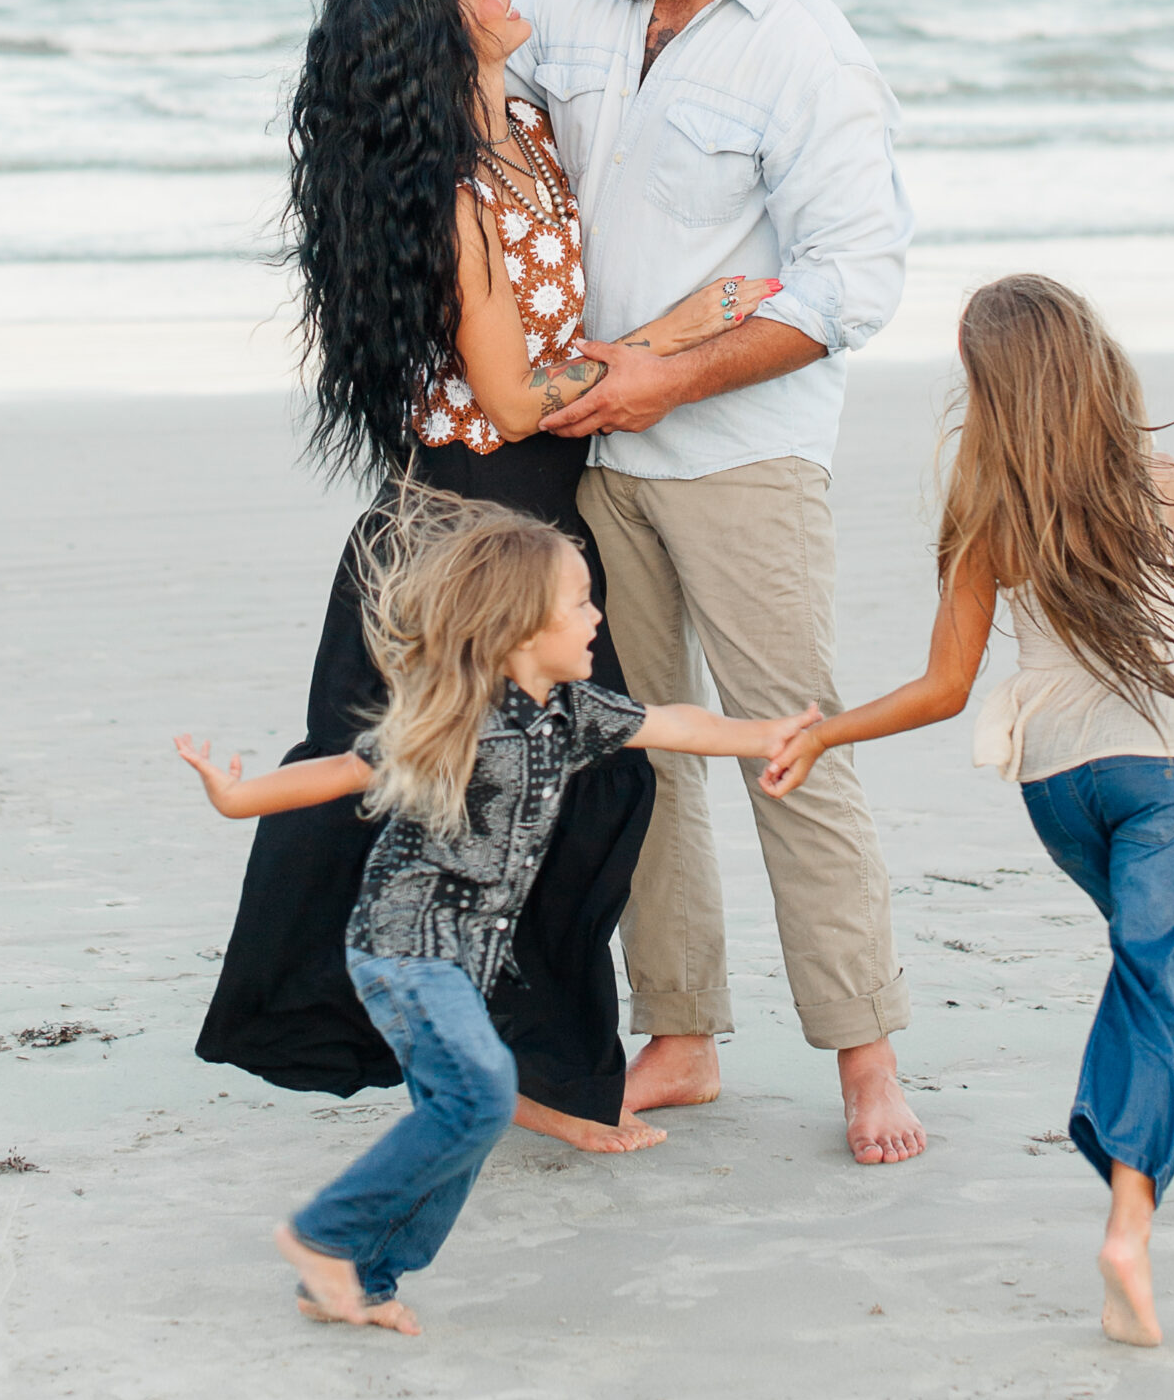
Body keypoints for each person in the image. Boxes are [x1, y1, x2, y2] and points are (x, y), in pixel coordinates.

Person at [196, 0, 778, 1154]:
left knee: (569, 778)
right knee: (399, 774)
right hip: (470, 518)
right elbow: (511, 400)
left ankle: (542, 1068)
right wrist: (668, 338)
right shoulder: (450, 193)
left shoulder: (525, 122)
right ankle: (363, 1032)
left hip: (534, 508)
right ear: (441, 32)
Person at [762, 273, 1174, 1343]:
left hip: (1053, 785)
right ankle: (1130, 1221)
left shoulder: (985, 519)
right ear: (1093, 366)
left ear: (990, 395)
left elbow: (944, 689)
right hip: (1155, 770)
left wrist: (824, 728)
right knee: (1154, 975)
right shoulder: (1158, 480)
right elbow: (1167, 641)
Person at [506, 0, 924, 1166]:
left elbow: (852, 281)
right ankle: (678, 1034)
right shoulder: (575, 6)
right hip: (593, 467)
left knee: (790, 739)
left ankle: (865, 1055)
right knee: (634, 755)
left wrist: (673, 374)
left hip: (743, 458)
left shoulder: (808, 51)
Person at [177, 492, 821, 1334]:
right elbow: (345, 770)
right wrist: (237, 798)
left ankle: (359, 1284)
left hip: (459, 965)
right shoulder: (455, 717)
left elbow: (673, 722)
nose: (598, 616)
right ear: (521, 630)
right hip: (405, 950)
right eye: (580, 603)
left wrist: (771, 733)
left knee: (460, 1126)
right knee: (480, 1098)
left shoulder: (574, 714)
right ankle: (322, 1234)